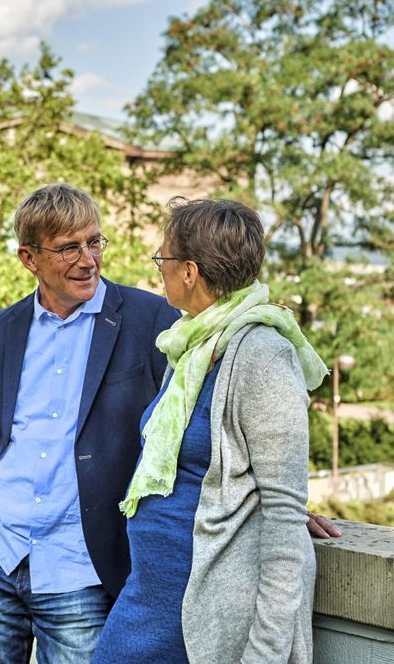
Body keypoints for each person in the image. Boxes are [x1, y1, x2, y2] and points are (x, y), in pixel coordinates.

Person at [0, 185, 338, 663]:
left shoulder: (157, 322)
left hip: (81, 567)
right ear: (29, 258)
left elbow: (236, 434)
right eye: (69, 248)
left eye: (94, 242)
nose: (88, 259)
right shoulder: (1, 329)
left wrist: (279, 502)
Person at [92, 197, 326, 663]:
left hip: (204, 615)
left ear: (189, 272)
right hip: (149, 599)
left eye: (162, 258)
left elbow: (283, 521)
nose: (159, 268)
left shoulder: (262, 354)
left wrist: (265, 654)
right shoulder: (192, 347)